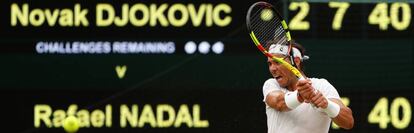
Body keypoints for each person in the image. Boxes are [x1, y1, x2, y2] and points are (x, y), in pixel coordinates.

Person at [262, 41, 354, 133]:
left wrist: (327, 105)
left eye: (278, 62)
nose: (272, 69)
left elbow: (348, 122)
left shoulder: (322, 85)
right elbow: (279, 103)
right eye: (270, 64)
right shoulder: (271, 84)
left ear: (296, 61)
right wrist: (300, 96)